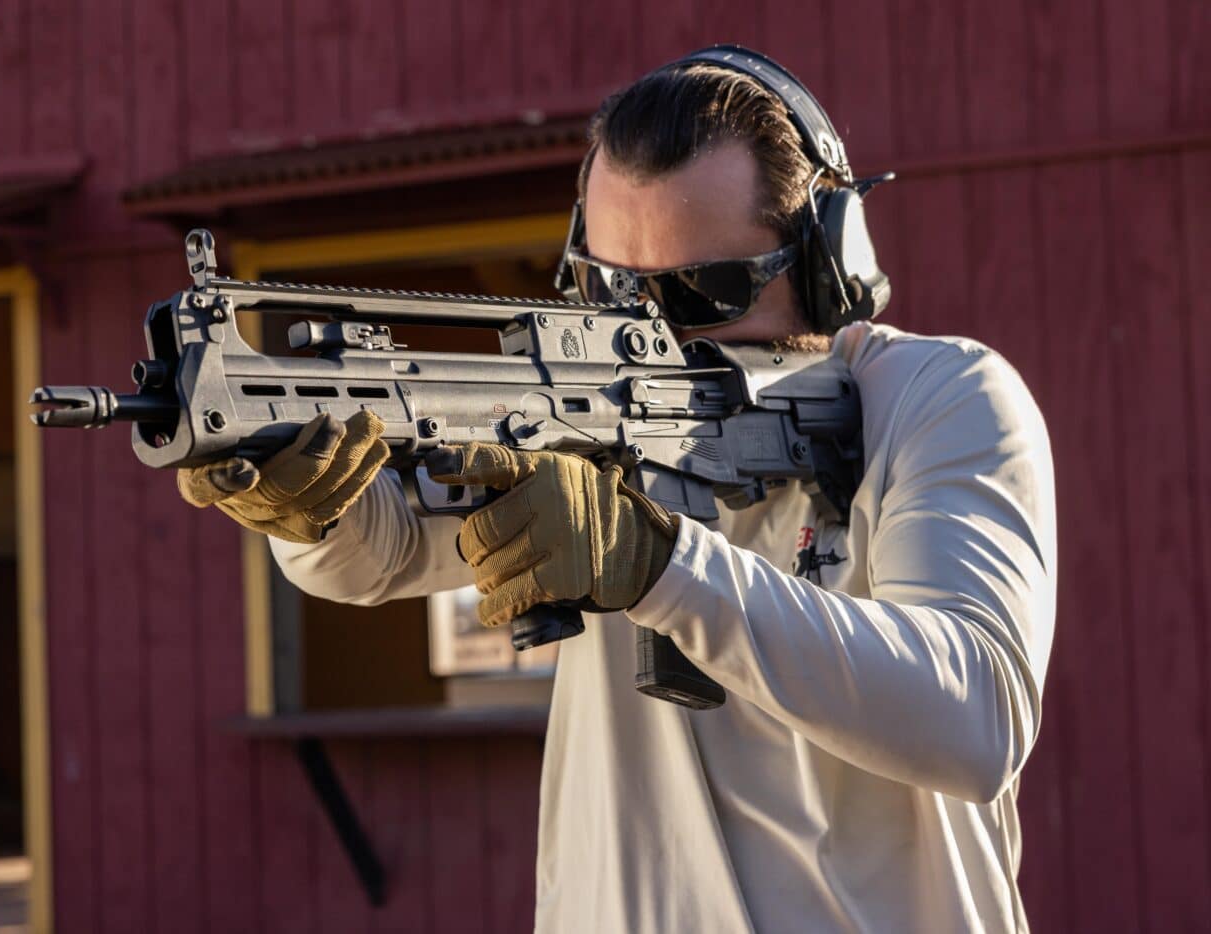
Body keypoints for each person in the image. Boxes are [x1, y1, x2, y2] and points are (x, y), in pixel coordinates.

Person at [177, 46, 1056, 934]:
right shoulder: (581, 414)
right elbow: (389, 552)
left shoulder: (938, 399)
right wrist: (314, 507)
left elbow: (975, 718)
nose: (647, 336)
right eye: (612, 290)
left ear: (828, 263)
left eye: (702, 292)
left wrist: (657, 565)